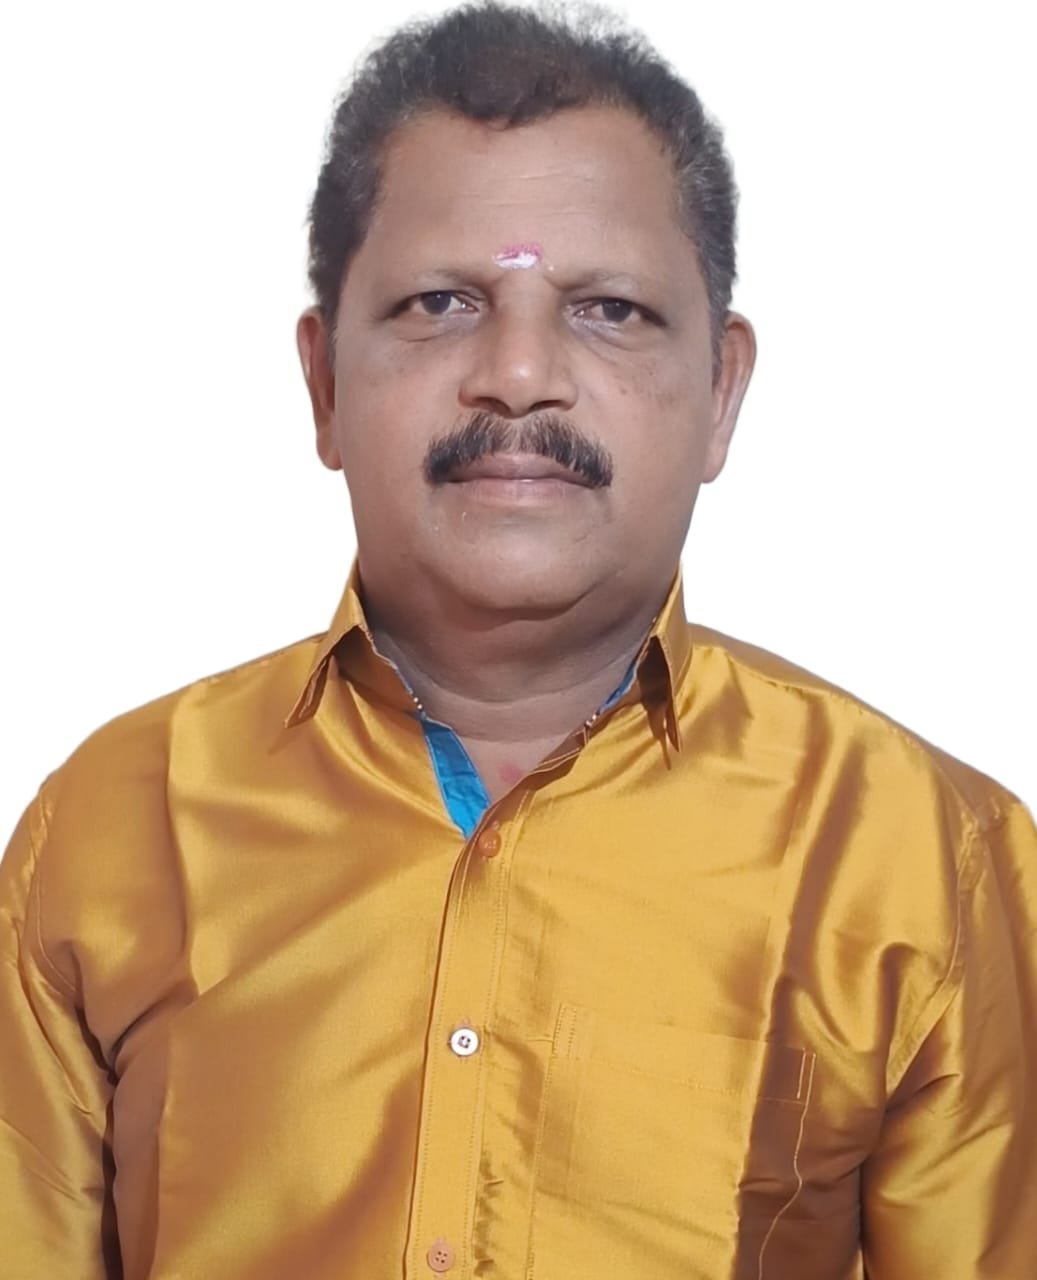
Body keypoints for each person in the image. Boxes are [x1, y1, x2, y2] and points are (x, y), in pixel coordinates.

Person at [1, 2, 1034, 1276]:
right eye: (440, 302)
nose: (519, 373)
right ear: (324, 384)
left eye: (607, 309)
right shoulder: (113, 826)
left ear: (721, 392)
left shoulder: (922, 857)